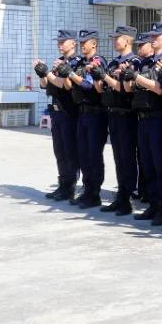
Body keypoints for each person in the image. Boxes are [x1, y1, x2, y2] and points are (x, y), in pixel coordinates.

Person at [131, 23, 162, 226]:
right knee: (147, 164)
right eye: (152, 36)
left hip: (159, 118)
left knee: (161, 165)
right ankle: (152, 204)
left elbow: (160, 89)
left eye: (157, 36)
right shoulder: (147, 61)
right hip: (143, 118)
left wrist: (137, 78)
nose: (152, 39)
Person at [34, 31, 80, 201]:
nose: (60, 45)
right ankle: (62, 185)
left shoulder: (75, 62)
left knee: (69, 151)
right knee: (59, 152)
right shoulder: (59, 62)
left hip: (68, 112)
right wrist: (42, 74)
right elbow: (46, 85)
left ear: (73, 43)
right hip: (56, 112)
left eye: (63, 41)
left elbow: (63, 85)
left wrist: (47, 73)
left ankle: (70, 187)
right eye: (58, 42)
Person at [98, 27, 138, 215]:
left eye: (117, 38)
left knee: (127, 157)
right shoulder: (114, 62)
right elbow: (104, 87)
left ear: (128, 41)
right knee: (118, 157)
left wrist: (104, 76)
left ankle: (127, 197)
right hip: (112, 113)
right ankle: (121, 194)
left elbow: (124, 89)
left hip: (126, 115)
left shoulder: (134, 62)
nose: (114, 41)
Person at [68, 29, 107, 208]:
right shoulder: (81, 63)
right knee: (83, 154)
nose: (82, 45)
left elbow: (88, 85)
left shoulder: (98, 62)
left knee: (93, 154)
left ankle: (94, 193)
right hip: (82, 112)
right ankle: (87, 189)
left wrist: (70, 74)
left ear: (94, 43)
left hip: (95, 113)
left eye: (86, 42)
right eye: (81, 42)